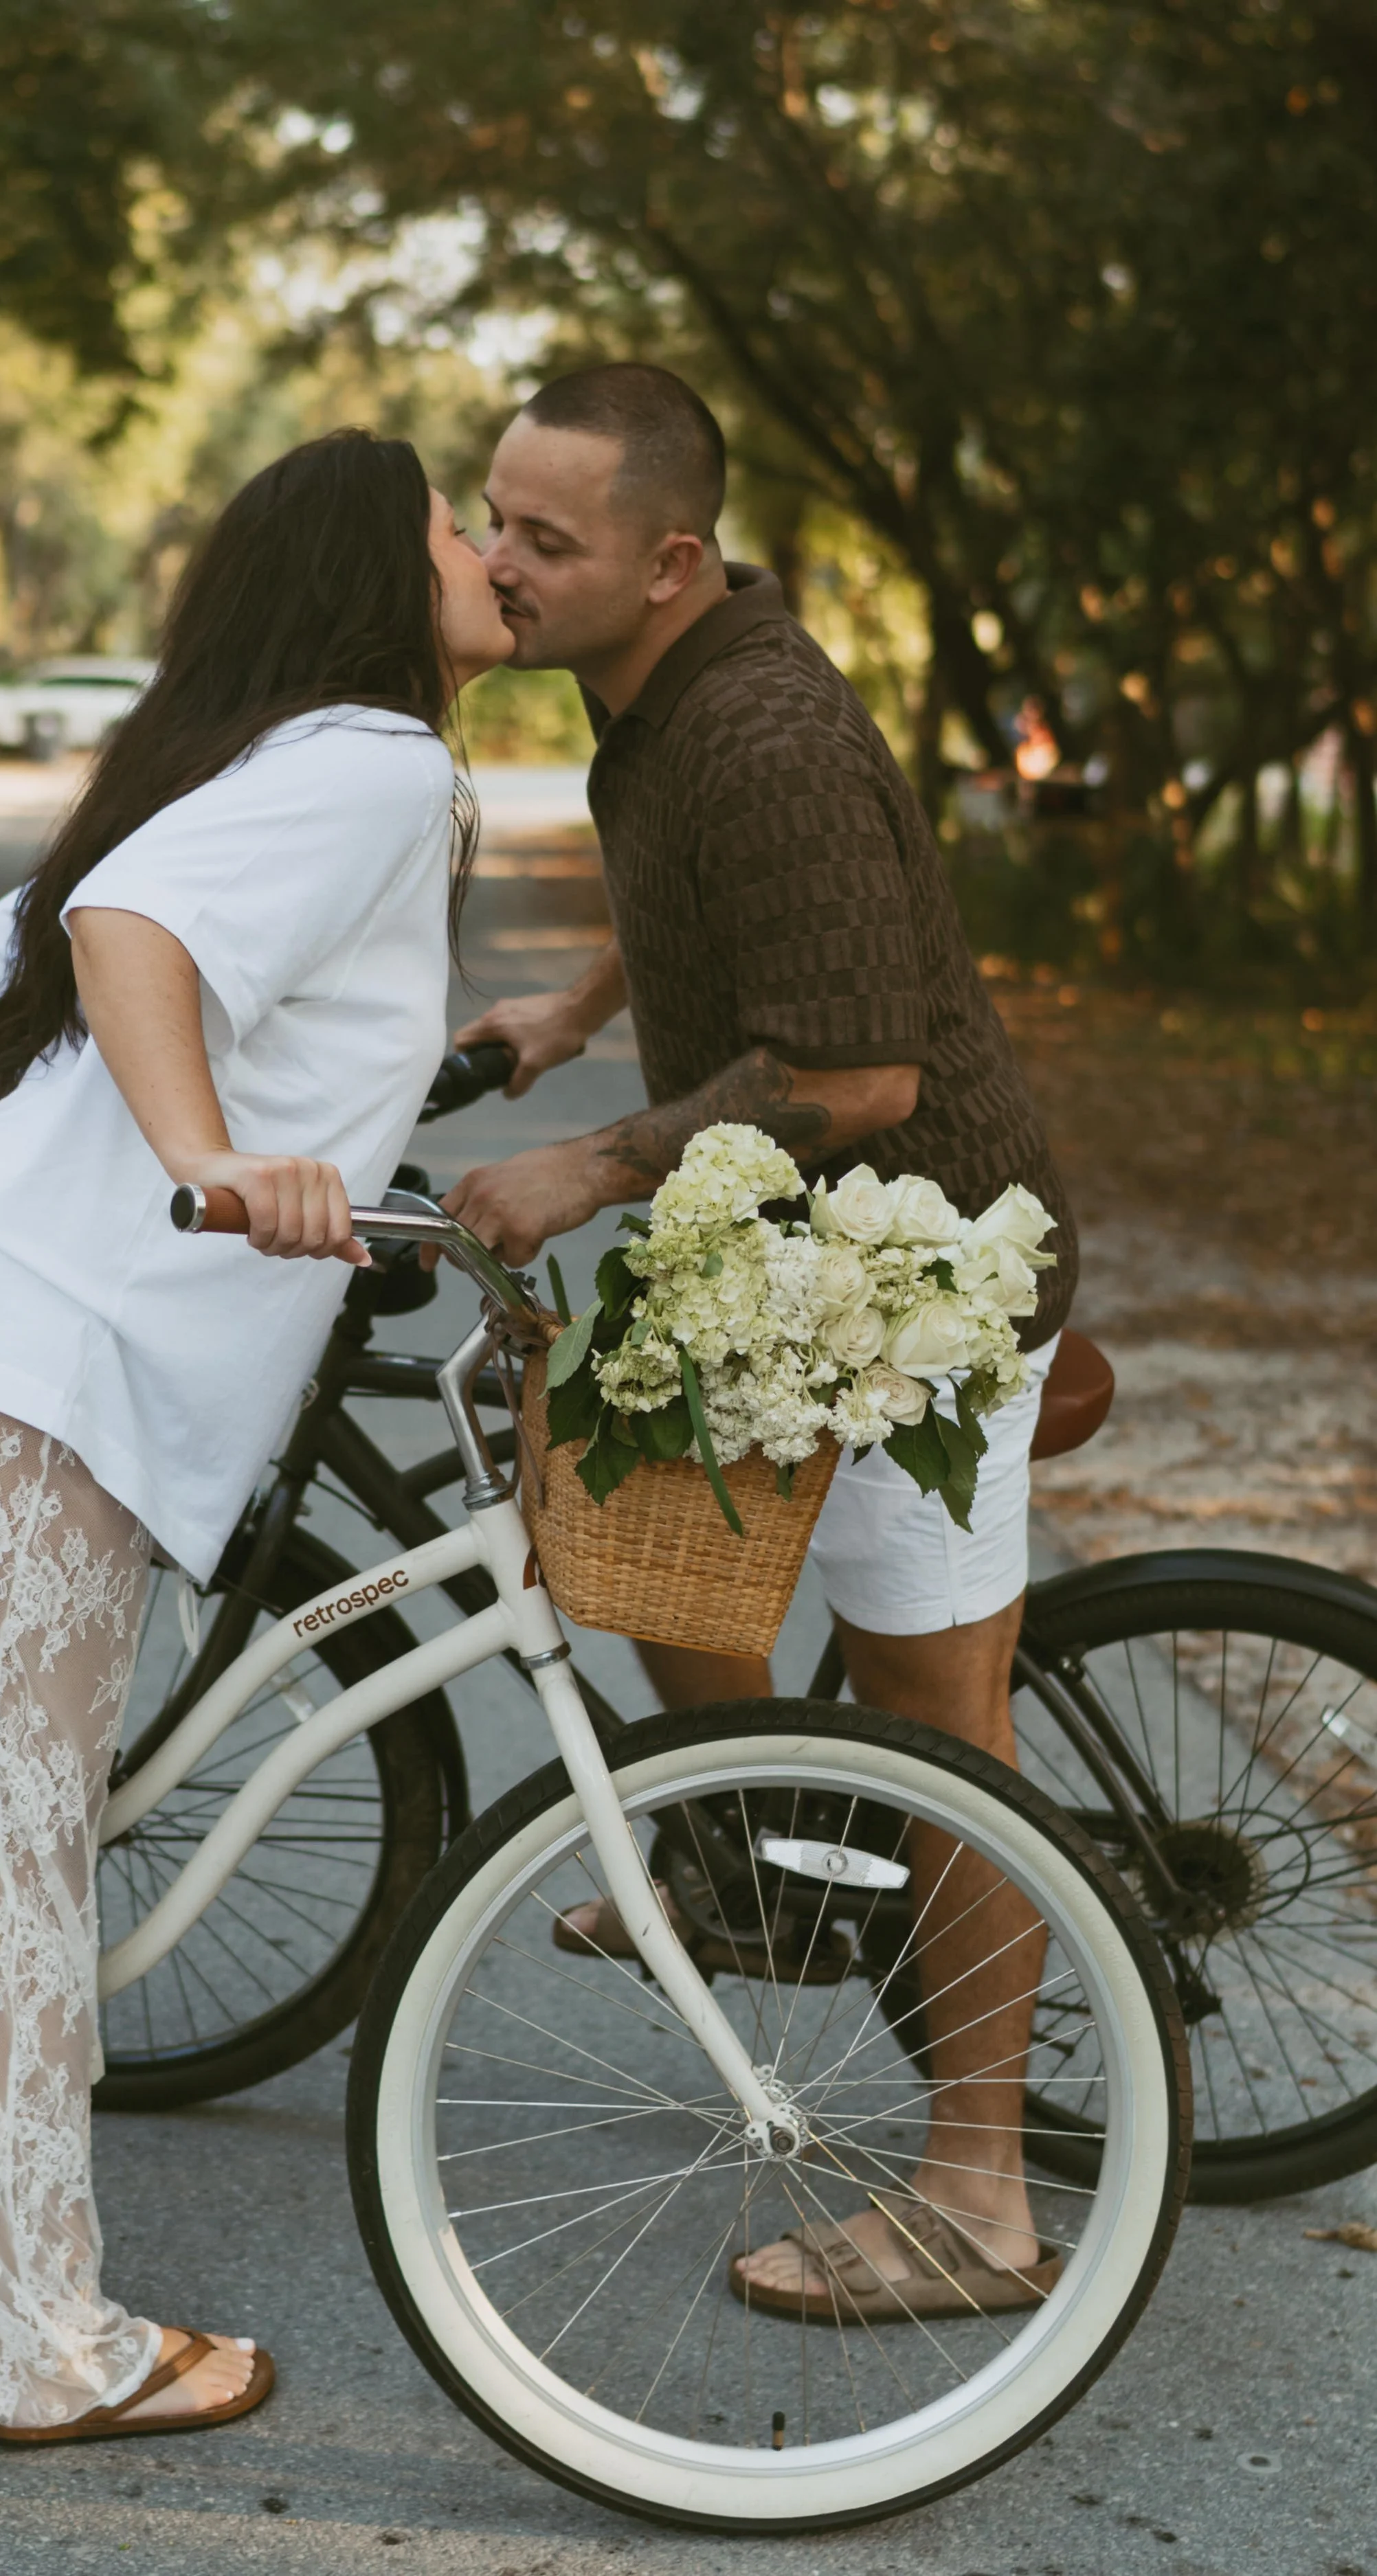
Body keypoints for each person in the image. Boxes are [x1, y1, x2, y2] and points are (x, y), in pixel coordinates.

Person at [0, 430, 513, 2468]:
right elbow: (122, 929)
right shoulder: (379, 754)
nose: (483, 553)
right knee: (9, 1848)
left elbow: (188, 964)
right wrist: (209, 1161)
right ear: (380, 571)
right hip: (22, 1336)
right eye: (458, 524)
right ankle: (39, 2337)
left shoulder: (289, 749)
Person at [447, 363, 1079, 2323]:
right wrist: (573, 1003)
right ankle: (757, 1855)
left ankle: (976, 2197)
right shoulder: (665, 697)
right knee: (601, 1494)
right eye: (491, 517)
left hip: (917, 1284)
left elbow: (861, 1068)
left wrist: (593, 1156)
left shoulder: (766, 733)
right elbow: (732, 905)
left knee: (932, 1731)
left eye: (544, 540)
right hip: (771, 1264)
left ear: (670, 561)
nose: (497, 562)